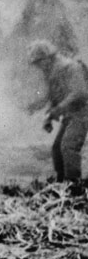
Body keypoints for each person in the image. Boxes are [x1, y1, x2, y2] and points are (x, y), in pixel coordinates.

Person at [27, 39, 88, 182]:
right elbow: (54, 96)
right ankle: (61, 183)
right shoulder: (54, 71)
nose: (38, 67)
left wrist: (58, 109)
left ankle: (73, 185)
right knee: (57, 149)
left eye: (39, 63)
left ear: (47, 58)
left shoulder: (70, 67)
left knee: (68, 147)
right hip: (71, 115)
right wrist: (48, 116)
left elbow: (79, 93)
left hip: (82, 113)